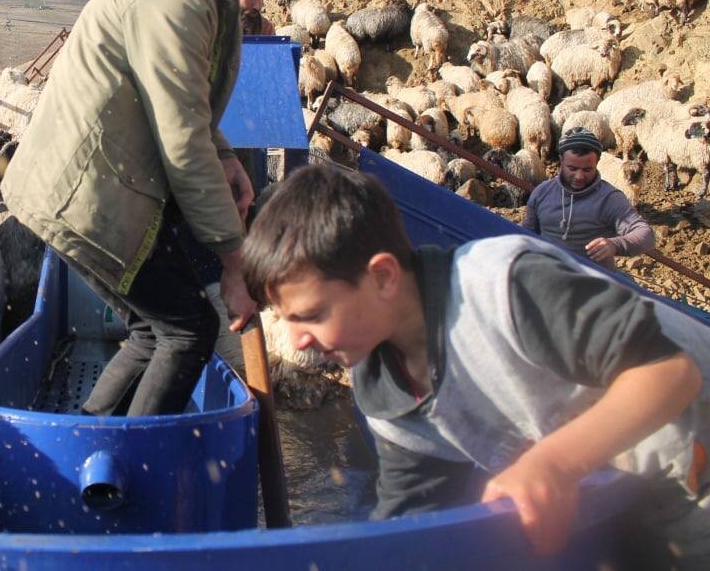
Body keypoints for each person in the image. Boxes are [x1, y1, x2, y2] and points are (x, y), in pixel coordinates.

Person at [242, 164, 708, 561]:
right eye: (286, 319)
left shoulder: (503, 287)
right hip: (623, 491)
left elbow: (670, 373)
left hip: (691, 443)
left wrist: (553, 462)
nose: (298, 341)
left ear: (383, 277)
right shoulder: (384, 387)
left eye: (312, 315)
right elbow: (413, 525)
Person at [1, 0, 316, 417]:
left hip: (97, 182)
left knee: (158, 330)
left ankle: (96, 453)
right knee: (187, 330)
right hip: (90, 191)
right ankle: (129, 477)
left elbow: (187, 107)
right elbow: (179, 140)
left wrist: (227, 159)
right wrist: (233, 259)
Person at [521, 129, 655, 267]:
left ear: (597, 163)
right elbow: (527, 234)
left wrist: (615, 245)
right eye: (572, 168)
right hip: (547, 277)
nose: (579, 176)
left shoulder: (609, 199)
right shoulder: (542, 193)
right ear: (561, 160)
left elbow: (646, 235)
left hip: (592, 282)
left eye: (587, 170)